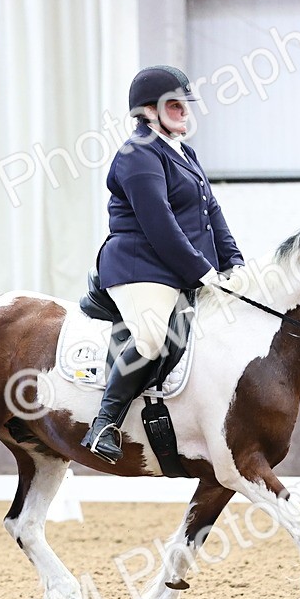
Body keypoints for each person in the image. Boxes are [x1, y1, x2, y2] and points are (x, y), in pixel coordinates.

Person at [80, 65, 245, 464]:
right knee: (152, 337)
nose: (185, 111)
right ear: (148, 111)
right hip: (141, 267)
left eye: (186, 103)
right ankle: (104, 422)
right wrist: (203, 271)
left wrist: (234, 263)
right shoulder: (137, 155)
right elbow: (160, 223)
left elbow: (212, 212)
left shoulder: (184, 152)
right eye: (174, 104)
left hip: (179, 268)